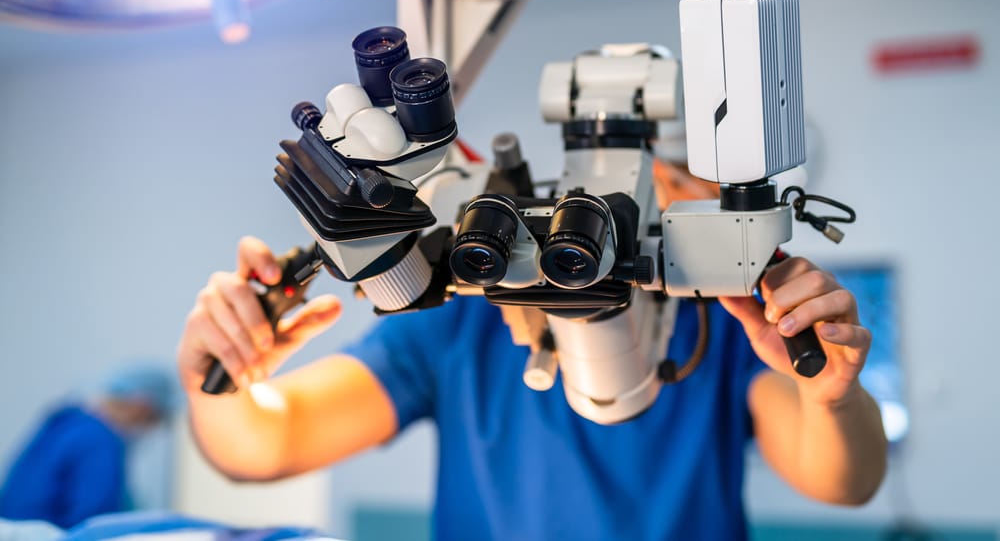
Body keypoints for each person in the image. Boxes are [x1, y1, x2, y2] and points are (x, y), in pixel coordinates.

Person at [176, 158, 888, 540]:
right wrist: (226, 373)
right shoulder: (462, 320)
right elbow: (264, 443)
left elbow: (842, 480)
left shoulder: (729, 329)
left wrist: (833, 394)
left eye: (678, 194)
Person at [0, 364, 175, 529]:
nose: (148, 431)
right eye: (153, 420)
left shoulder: (65, 423)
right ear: (141, 407)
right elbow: (94, 519)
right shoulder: (100, 441)